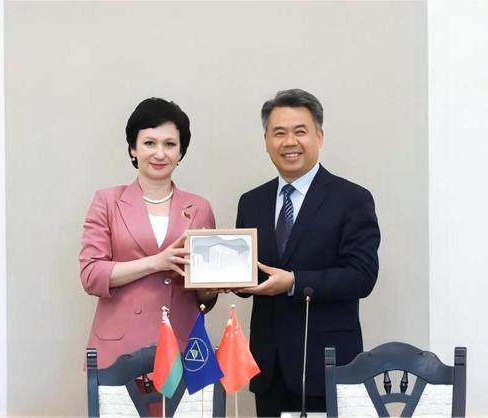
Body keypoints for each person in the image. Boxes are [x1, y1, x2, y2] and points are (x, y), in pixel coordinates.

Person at [235, 89, 380, 416]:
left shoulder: (352, 199)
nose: (290, 142)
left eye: (300, 131)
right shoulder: (252, 201)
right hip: (269, 367)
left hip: (327, 364)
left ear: (319, 136)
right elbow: (250, 275)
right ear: (266, 141)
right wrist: (217, 278)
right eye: (279, 133)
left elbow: (362, 276)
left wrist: (294, 282)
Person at [79, 97, 217, 371]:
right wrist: (156, 262)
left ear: (181, 152)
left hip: (181, 344)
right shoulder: (107, 201)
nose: (160, 154)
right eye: (149, 143)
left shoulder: (200, 208)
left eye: (170, 144)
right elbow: (91, 275)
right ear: (133, 149)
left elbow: (203, 297)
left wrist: (210, 289)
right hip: (119, 350)